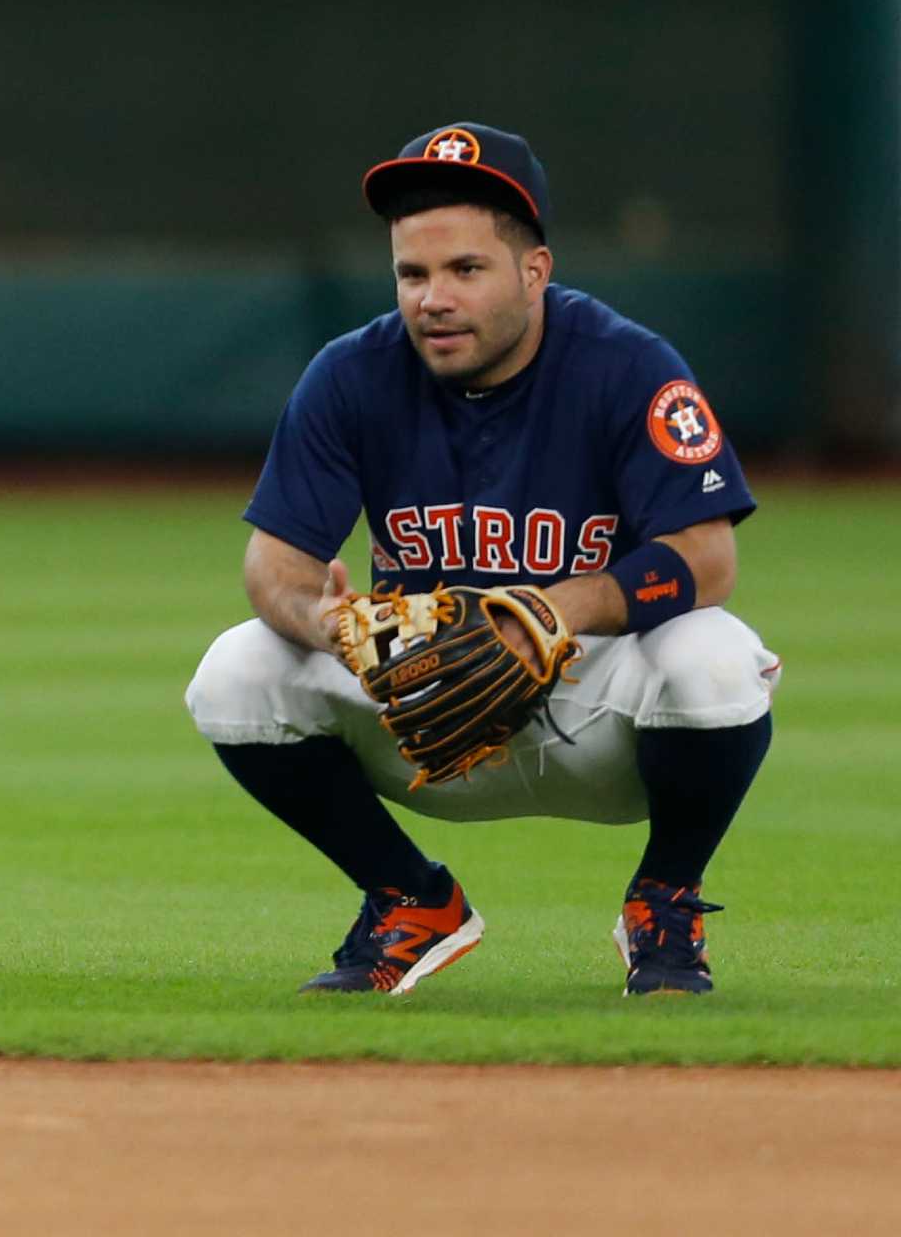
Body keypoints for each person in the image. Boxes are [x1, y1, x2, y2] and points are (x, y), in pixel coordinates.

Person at [184, 122, 778, 997]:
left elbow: (707, 556)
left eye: (466, 270)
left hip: (595, 706)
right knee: (235, 671)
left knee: (715, 659)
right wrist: (324, 621)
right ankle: (407, 899)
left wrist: (552, 613)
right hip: (427, 701)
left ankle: (665, 900)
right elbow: (274, 563)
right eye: (413, 274)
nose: (433, 298)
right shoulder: (352, 376)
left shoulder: (627, 365)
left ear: (534, 271)